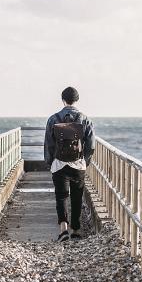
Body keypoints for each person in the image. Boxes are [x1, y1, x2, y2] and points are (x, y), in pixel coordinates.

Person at [44, 86, 95, 242]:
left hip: (59, 164)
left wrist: (50, 163)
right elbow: (90, 146)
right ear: (77, 100)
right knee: (77, 197)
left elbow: (49, 144)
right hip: (78, 165)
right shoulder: (85, 119)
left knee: (61, 197)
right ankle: (76, 230)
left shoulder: (53, 119)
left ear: (63, 100)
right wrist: (84, 162)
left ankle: (63, 231)